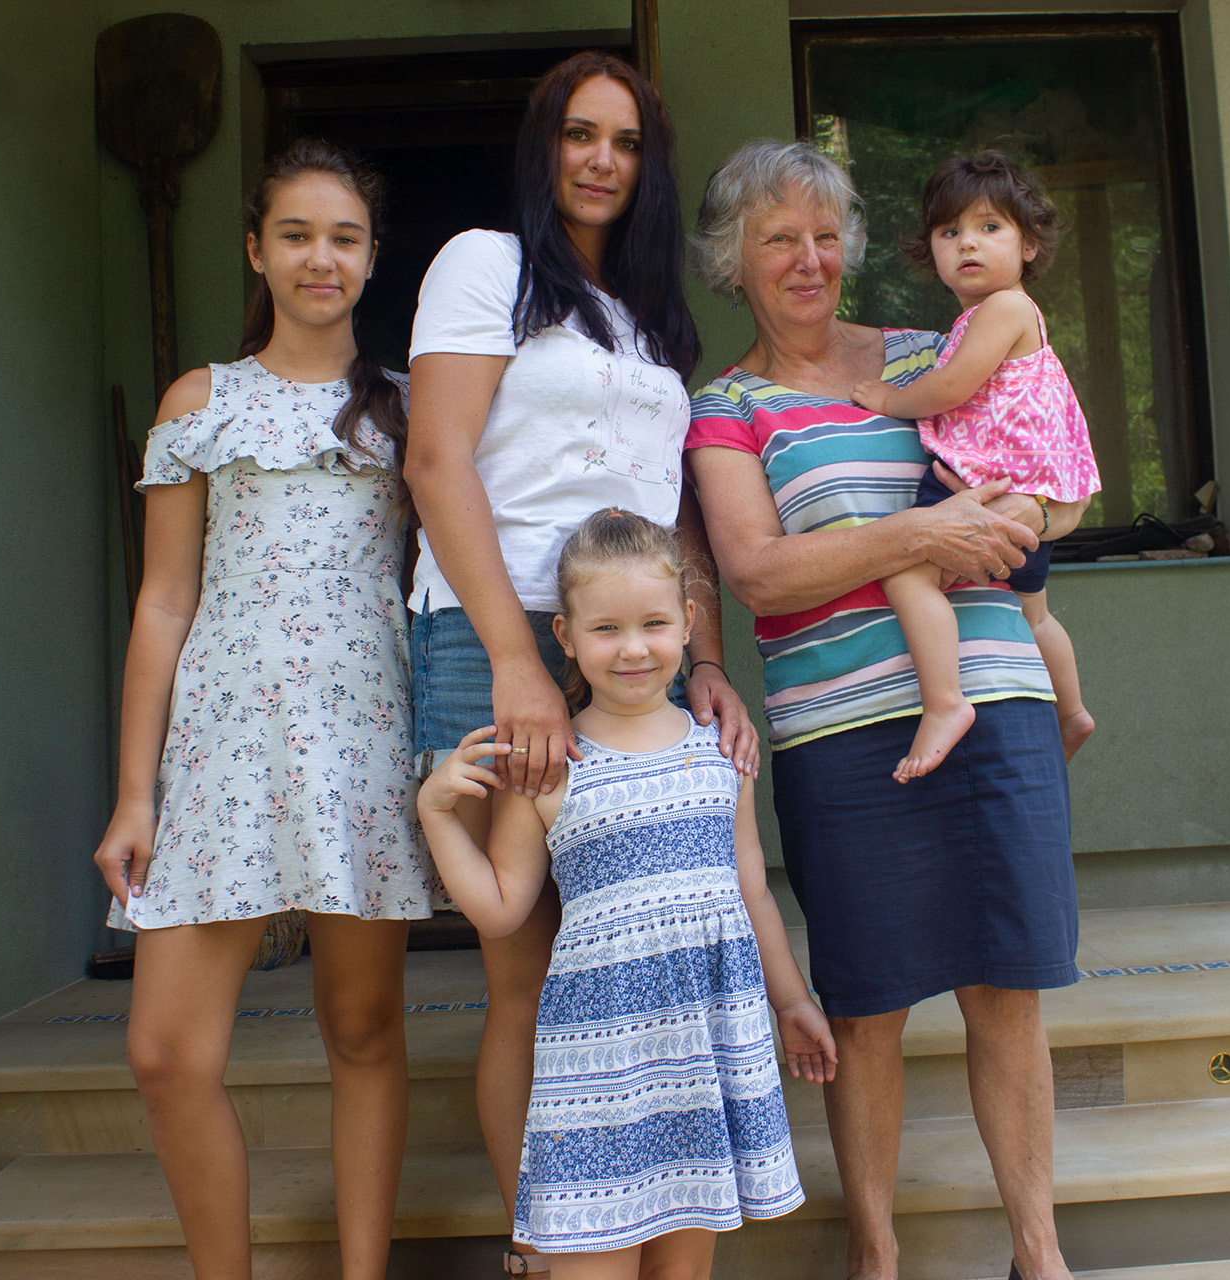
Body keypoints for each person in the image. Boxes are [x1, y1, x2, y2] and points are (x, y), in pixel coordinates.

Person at [683, 139, 1085, 1280]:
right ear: (736, 260)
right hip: (839, 726)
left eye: (825, 235)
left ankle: (1037, 1252)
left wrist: (1025, 523)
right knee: (866, 1004)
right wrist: (920, 535)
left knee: (1009, 988)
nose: (808, 260)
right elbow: (758, 571)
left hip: (993, 693)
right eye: (778, 240)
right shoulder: (727, 409)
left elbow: (1041, 480)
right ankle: (876, 1253)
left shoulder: (935, 351)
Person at [401, 51, 757, 1277]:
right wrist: (514, 658)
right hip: (495, 636)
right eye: (579, 134)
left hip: (633, 659)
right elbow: (438, 463)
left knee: (626, 967)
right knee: (533, 972)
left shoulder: (651, 311)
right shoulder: (485, 266)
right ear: (542, 145)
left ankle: (645, 1216)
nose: (602, 159)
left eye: (626, 141)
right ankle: (548, 1241)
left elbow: (673, 517)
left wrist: (702, 660)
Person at [91, 138, 433, 1280]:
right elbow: (161, 602)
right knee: (165, 1050)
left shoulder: (408, 409)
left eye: (344, 237)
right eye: (295, 234)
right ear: (256, 248)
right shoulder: (204, 399)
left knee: (365, 1030)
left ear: (375, 256)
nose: (319, 258)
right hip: (220, 749)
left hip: (364, 739)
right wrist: (133, 792)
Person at [417, 510, 835, 1280]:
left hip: (702, 1060)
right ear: (567, 637)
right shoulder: (552, 766)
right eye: (606, 628)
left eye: (653, 624)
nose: (634, 648)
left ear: (688, 624)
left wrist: (792, 999)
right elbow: (502, 907)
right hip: (599, 1077)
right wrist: (437, 814)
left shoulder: (722, 750)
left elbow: (751, 890)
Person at [852, 149, 1100, 779]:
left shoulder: (1007, 309)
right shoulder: (978, 317)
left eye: (990, 227)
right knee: (1033, 610)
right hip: (1023, 492)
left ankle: (944, 702)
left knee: (908, 576)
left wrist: (892, 400)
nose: (968, 243)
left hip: (997, 494)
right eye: (950, 231)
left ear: (1029, 247)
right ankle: (1071, 709)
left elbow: (953, 388)